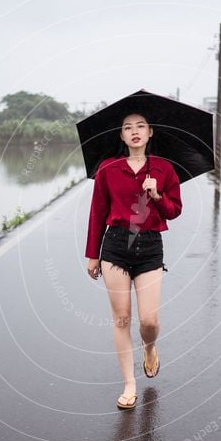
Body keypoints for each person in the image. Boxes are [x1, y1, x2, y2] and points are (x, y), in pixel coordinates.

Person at [85, 111, 183, 410]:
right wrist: (92, 255)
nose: (135, 131)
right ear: (122, 136)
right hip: (115, 245)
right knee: (122, 318)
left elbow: (174, 210)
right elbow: (97, 212)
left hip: (150, 245)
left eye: (141, 126)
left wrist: (155, 195)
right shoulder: (108, 169)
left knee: (149, 321)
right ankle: (129, 384)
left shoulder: (164, 169)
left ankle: (150, 347)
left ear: (151, 132)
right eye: (128, 127)